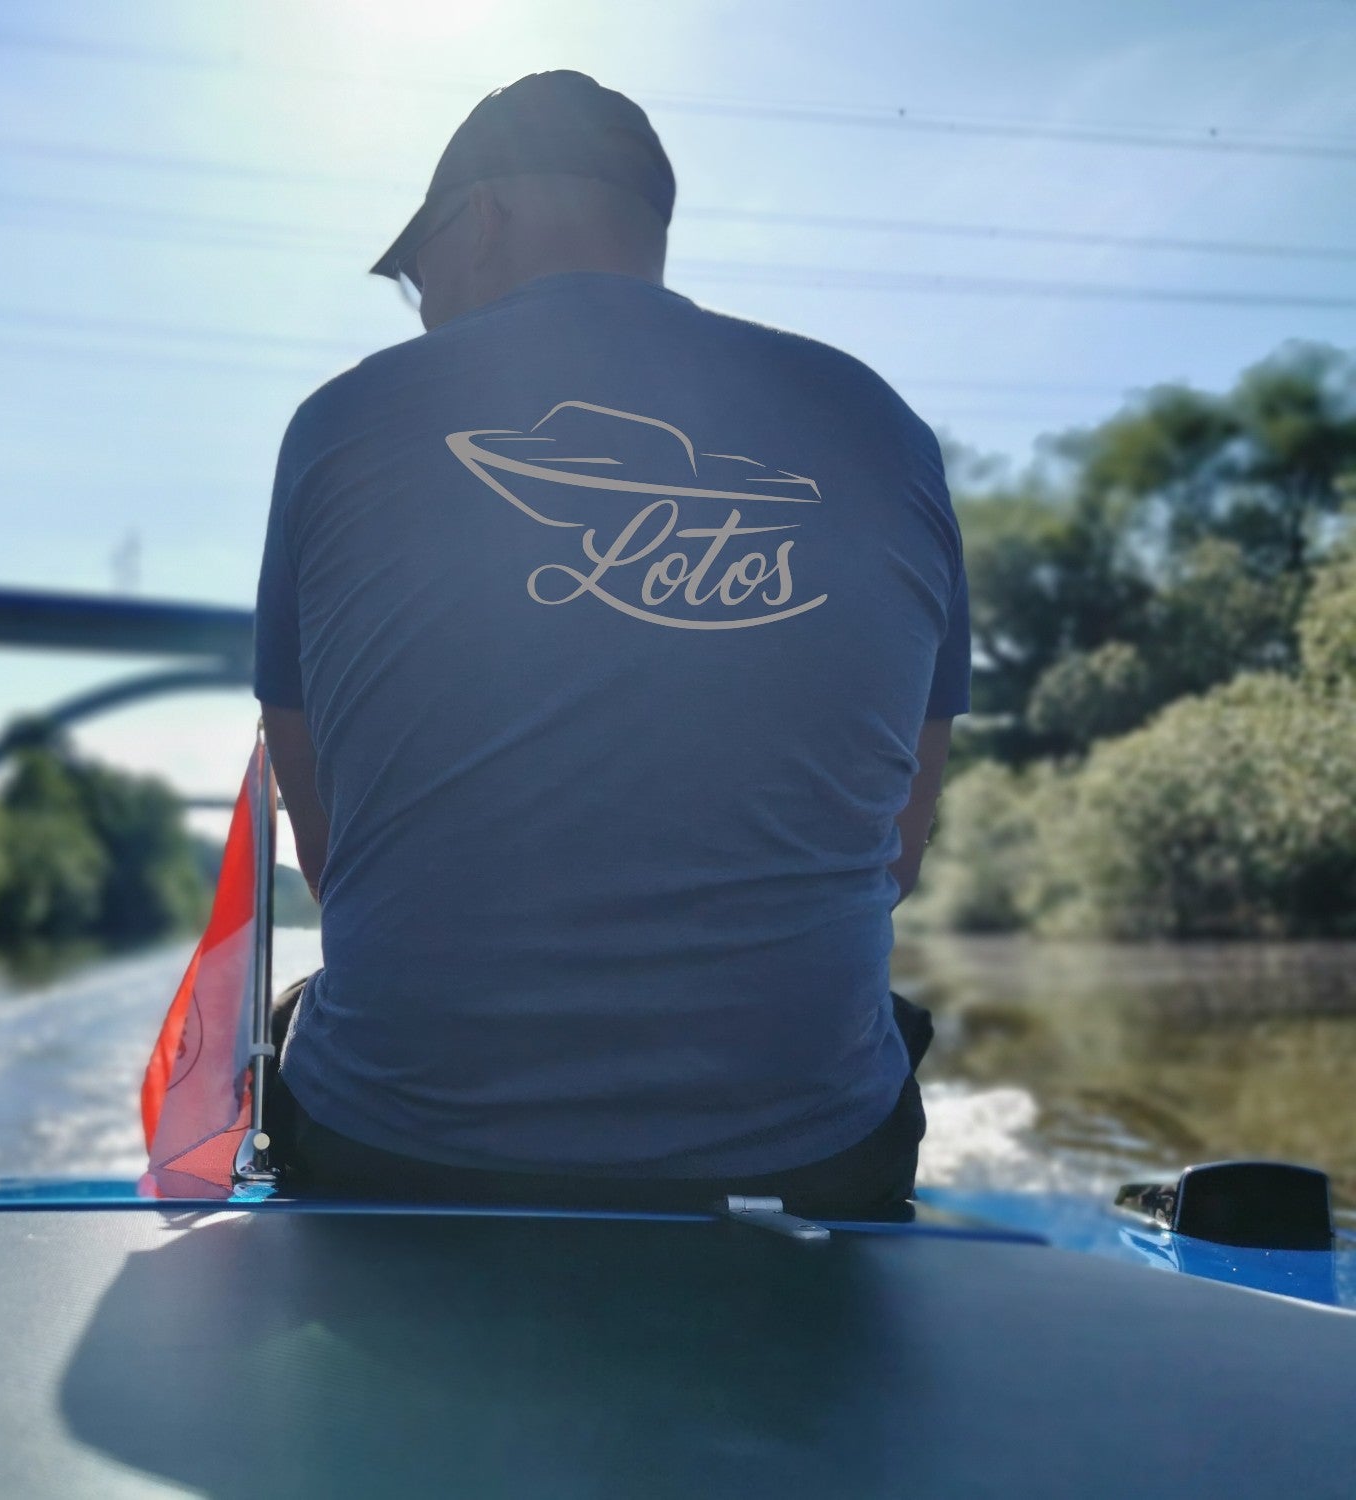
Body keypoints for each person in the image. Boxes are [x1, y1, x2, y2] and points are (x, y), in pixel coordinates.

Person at [254, 71, 967, 1220]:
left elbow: (330, 852)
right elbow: (894, 852)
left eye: (413, 272)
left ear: (474, 219)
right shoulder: (880, 424)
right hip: (804, 1162)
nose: (421, 304)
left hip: (402, 1150)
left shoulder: (340, 424)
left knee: (306, 1021)